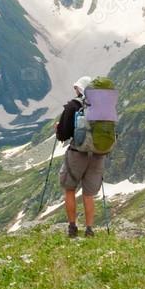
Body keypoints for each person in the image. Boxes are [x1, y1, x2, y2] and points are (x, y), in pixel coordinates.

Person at [55, 76, 104, 238]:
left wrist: (58, 129)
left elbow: (63, 135)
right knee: (88, 193)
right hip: (97, 154)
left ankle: (72, 228)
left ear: (79, 89)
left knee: (70, 189)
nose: (74, 90)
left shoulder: (73, 106)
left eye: (75, 88)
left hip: (77, 153)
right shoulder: (102, 106)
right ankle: (89, 229)